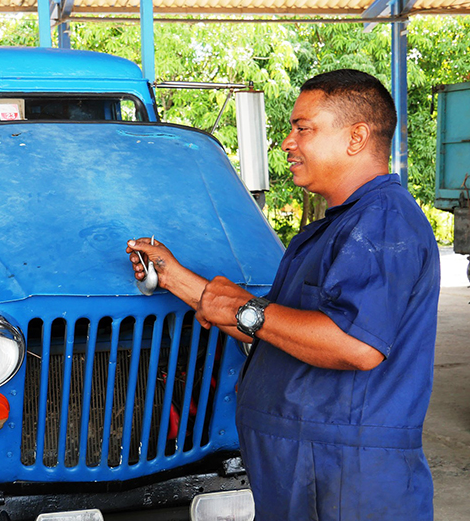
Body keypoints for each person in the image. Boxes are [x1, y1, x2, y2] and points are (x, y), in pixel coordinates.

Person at [127, 69, 439, 520]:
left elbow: (356, 344)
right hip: (311, 466)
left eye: (303, 128)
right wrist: (176, 278)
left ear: (356, 137)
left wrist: (248, 311)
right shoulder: (339, 226)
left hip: (347, 478)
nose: (288, 142)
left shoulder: (382, 223)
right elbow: (285, 330)